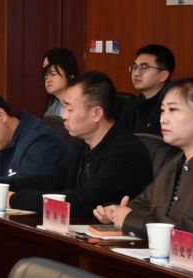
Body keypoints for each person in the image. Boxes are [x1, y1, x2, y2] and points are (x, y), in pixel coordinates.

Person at [95, 78, 193, 237]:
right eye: (162, 110)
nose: (163, 119)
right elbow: (144, 203)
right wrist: (116, 212)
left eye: (173, 110)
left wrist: (131, 218)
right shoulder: (176, 160)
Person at [10, 71, 155, 212]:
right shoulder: (82, 144)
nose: (64, 116)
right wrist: (5, 185)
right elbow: (54, 180)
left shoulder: (126, 152)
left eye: (70, 109)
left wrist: (16, 200)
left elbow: (83, 200)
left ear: (96, 113)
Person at [121, 44, 176, 135]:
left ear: (163, 75)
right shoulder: (131, 105)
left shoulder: (173, 107)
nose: (136, 73)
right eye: (135, 67)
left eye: (144, 68)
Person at [40, 48, 81, 114]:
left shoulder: (84, 104)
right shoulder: (52, 110)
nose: (47, 77)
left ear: (70, 75)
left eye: (53, 74)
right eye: (46, 74)